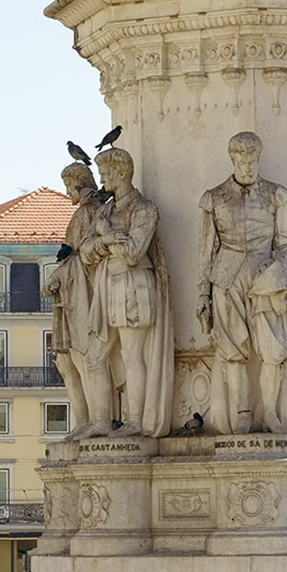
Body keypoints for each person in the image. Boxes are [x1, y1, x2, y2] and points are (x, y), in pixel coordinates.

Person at [198, 131, 287, 434]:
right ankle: (242, 413)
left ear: (258, 158)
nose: (247, 164)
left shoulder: (275, 194)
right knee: (233, 349)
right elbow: (204, 250)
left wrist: (276, 270)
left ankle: (270, 414)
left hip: (265, 276)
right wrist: (203, 295)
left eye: (252, 158)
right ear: (232, 159)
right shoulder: (213, 198)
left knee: (273, 350)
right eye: (241, 158)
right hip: (226, 278)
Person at [80, 147, 173, 438]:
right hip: (108, 288)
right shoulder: (106, 212)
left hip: (134, 287)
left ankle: (135, 422)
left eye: (105, 173)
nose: (101, 178)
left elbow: (133, 253)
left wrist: (104, 239)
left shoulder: (143, 209)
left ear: (122, 172)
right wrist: (108, 240)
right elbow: (84, 251)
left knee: (133, 356)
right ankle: (101, 422)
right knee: (94, 358)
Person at [44, 161, 110, 436]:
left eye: (68, 187)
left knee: (85, 360)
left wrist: (58, 275)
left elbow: (85, 256)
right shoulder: (87, 212)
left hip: (84, 294)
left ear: (78, 184)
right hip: (71, 295)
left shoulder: (90, 212)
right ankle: (84, 420)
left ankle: (97, 420)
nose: (67, 193)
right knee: (67, 361)